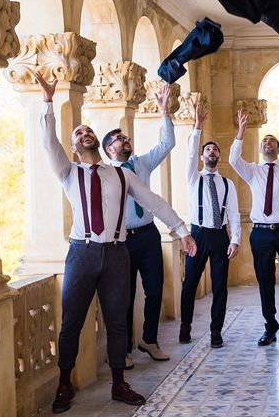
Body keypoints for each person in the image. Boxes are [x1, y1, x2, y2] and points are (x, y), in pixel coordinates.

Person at [35, 73, 196, 414]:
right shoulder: (69, 173)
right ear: (75, 146)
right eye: (79, 133)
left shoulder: (122, 174)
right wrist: (48, 104)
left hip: (116, 254)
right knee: (71, 322)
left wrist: (182, 229)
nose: (86, 133)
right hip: (82, 253)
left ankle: (119, 384)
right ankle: (65, 384)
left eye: (88, 130)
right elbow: (49, 143)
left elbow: (153, 201)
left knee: (118, 321)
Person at [102, 84, 175, 369]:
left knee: (155, 289)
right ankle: (126, 349)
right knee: (126, 294)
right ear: (110, 148)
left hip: (148, 235)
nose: (126, 140)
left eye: (126, 137)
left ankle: (149, 340)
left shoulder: (141, 163)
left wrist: (164, 111)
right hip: (122, 241)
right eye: (120, 138)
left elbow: (167, 144)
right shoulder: (105, 173)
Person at [229, 110, 279, 346]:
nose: (267, 142)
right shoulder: (253, 171)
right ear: (261, 149)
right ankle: (270, 327)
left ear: (278, 149)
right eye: (264, 140)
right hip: (260, 233)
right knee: (265, 281)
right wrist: (241, 131)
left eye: (272, 140)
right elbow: (232, 160)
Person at [179, 104, 241, 349]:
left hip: (220, 236)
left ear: (219, 156)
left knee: (220, 287)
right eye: (208, 150)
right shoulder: (194, 178)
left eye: (215, 150)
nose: (211, 152)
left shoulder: (227, 184)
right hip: (197, 235)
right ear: (203, 156)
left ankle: (216, 332)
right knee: (189, 284)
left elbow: (234, 214)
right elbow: (191, 154)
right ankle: (185, 328)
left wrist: (235, 239)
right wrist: (198, 126)